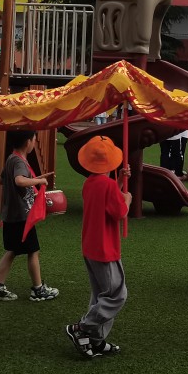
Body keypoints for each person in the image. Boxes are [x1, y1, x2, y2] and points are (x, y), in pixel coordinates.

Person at [65, 136, 132, 358]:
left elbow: (107, 200)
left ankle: (96, 340)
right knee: (116, 295)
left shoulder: (90, 183)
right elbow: (120, 211)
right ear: (111, 161)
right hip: (105, 249)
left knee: (100, 296)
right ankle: (82, 327)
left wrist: (119, 183)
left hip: (91, 246)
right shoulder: (108, 186)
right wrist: (127, 198)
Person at [0, 129, 59, 303]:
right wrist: (38, 181)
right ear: (28, 142)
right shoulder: (19, 161)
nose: (33, 142)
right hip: (21, 217)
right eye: (34, 139)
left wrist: (31, 179)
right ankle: (38, 290)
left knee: (12, 251)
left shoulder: (11, 158)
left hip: (11, 216)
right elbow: (19, 181)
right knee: (33, 251)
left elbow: (2, 180)